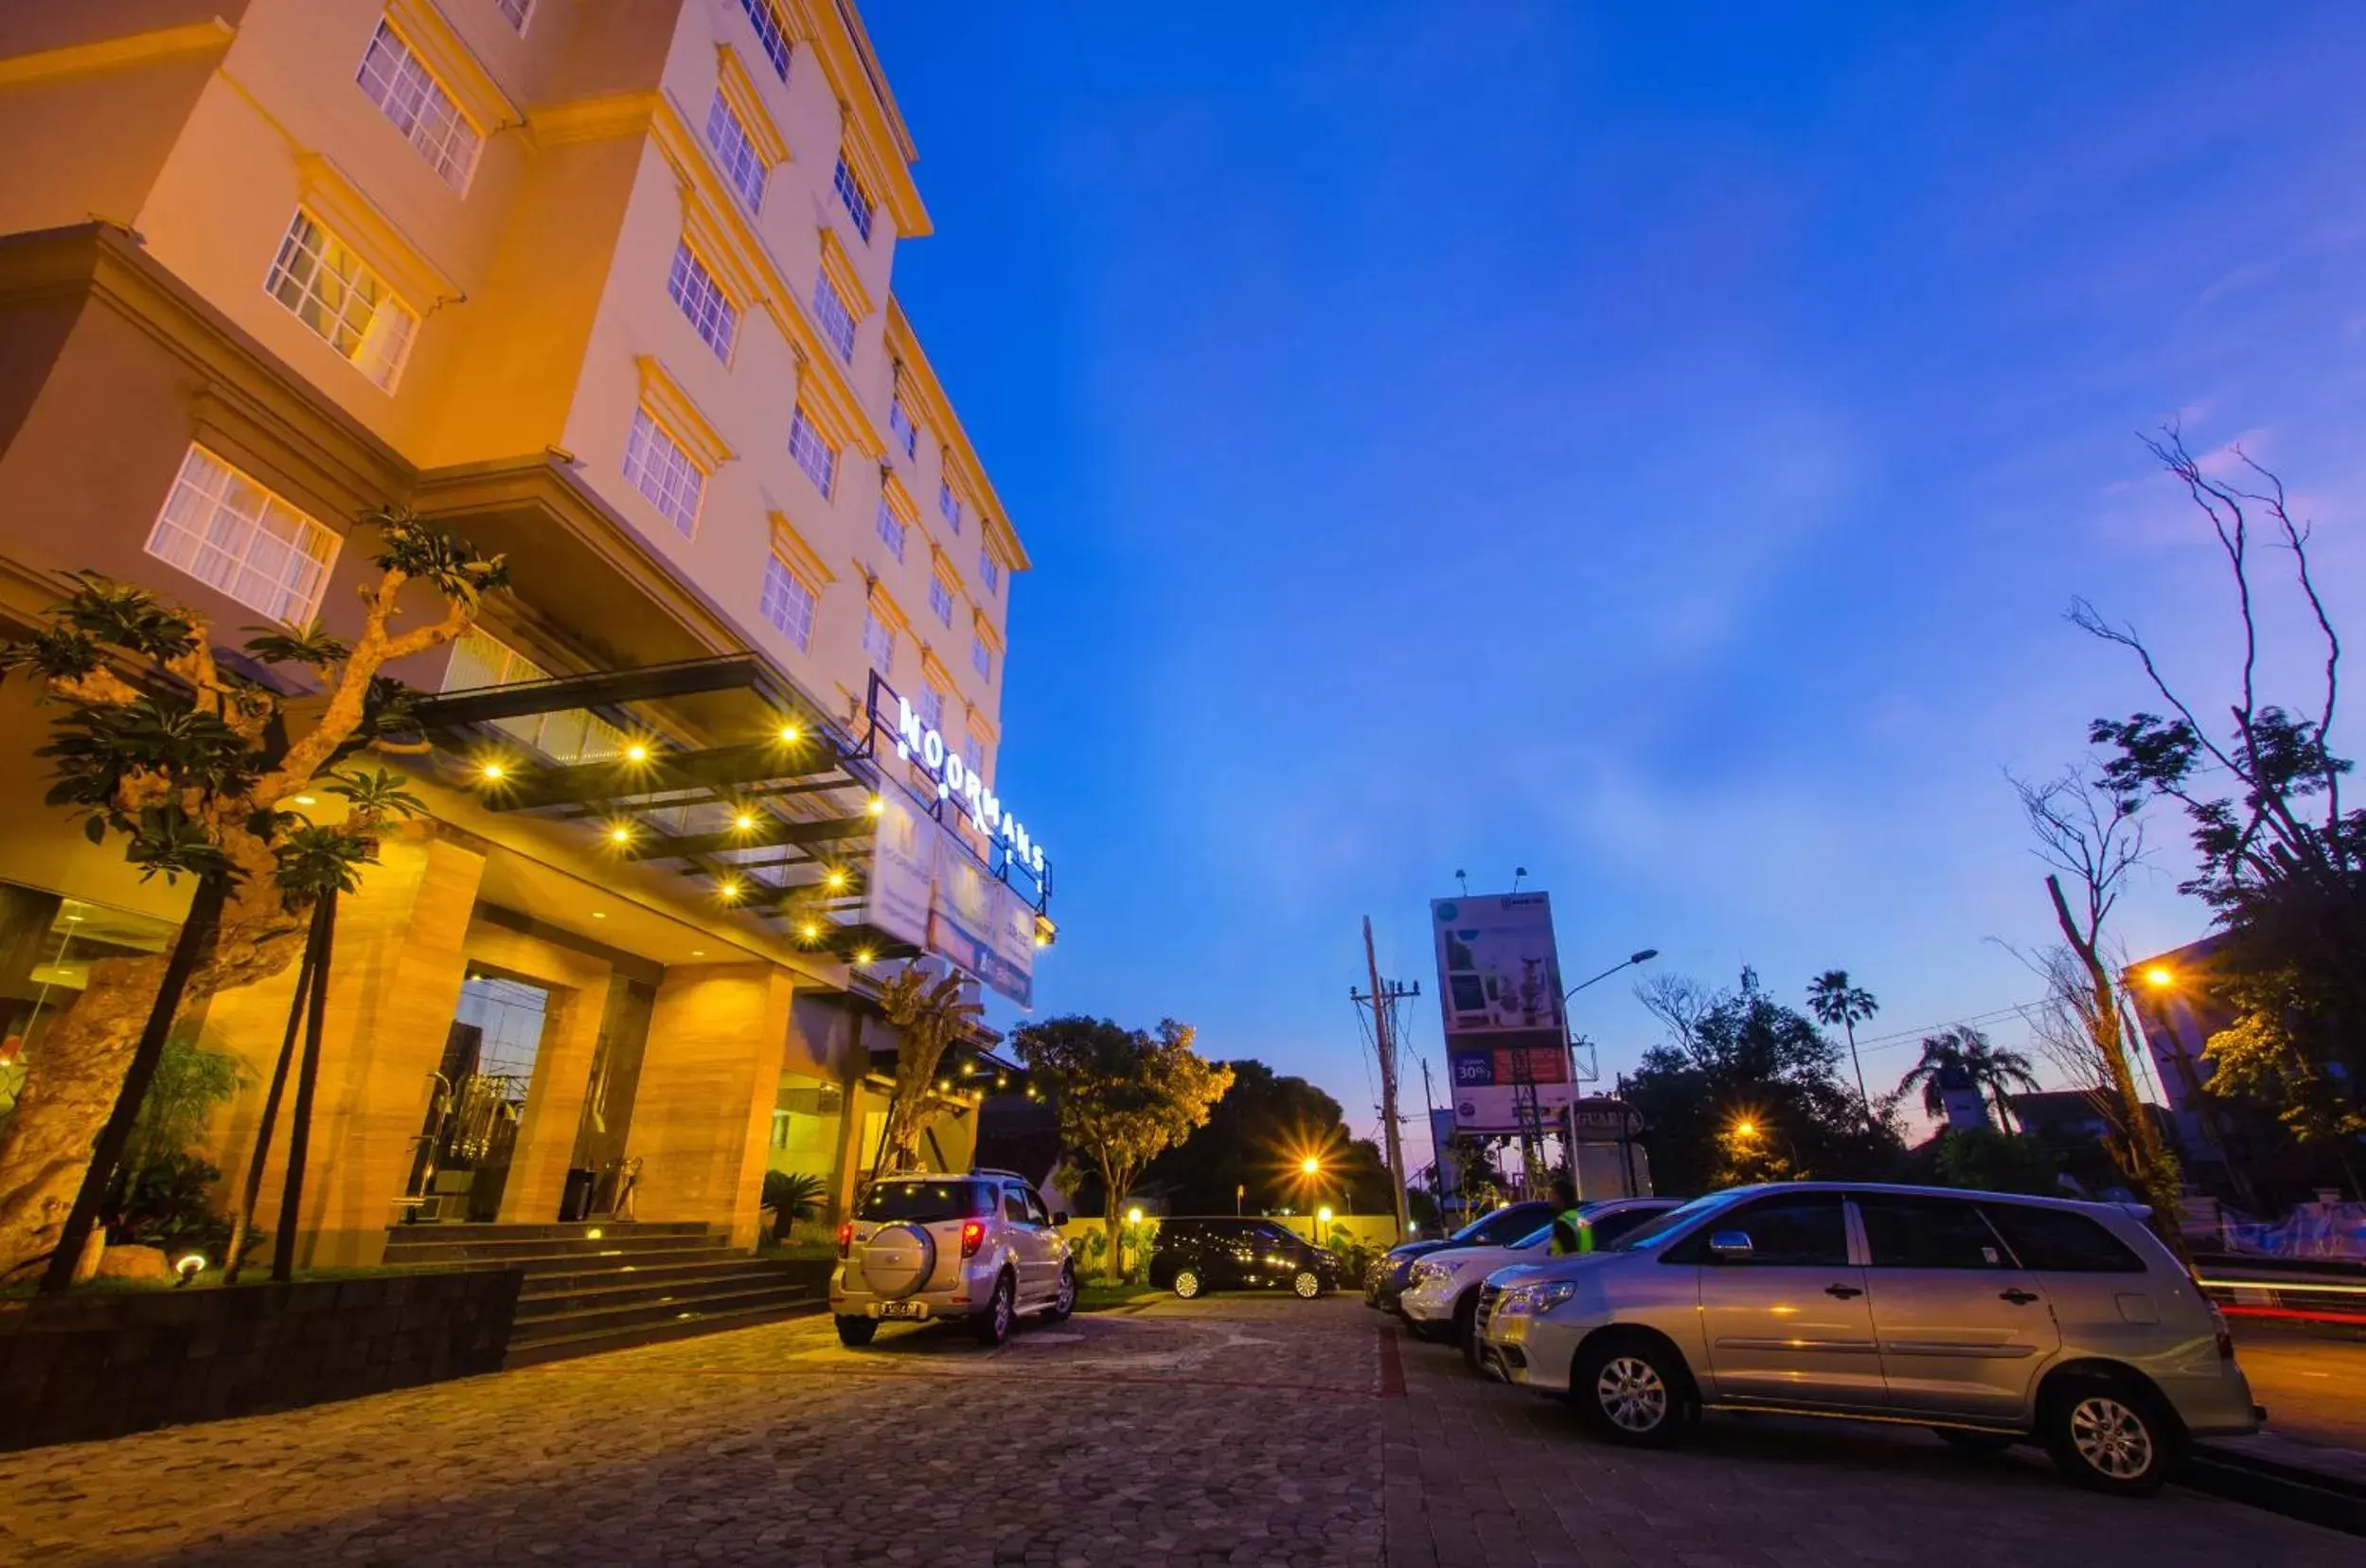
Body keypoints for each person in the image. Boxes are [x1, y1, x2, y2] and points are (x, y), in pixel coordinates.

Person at [1548, 1178, 1592, 1256]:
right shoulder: (1578, 1216)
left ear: (1559, 1197)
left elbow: (1567, 1250)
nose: (1549, 1198)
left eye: (1552, 1194)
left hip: (1566, 1264)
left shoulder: (1563, 1222)